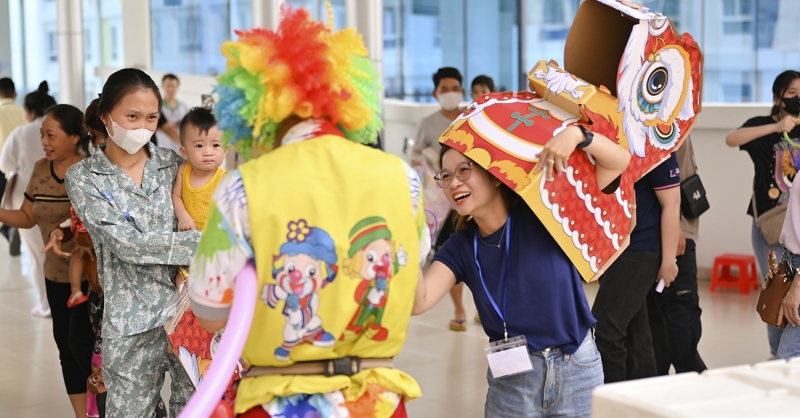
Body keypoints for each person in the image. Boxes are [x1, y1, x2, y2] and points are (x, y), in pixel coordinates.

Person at [186, 6, 427, 416]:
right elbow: (415, 295)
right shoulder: (402, 177)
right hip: (378, 401)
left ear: (258, 109)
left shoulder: (245, 187)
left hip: (278, 400)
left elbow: (209, 313)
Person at [412, 122, 629, 417]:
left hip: (576, 366)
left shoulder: (545, 212)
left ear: (495, 175)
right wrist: (409, 247)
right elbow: (419, 302)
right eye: (446, 176)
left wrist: (578, 135)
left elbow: (619, 162)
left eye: (464, 170)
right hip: (512, 377)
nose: (453, 183)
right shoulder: (460, 247)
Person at [61, 68, 199, 418]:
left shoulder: (176, 165)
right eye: (132, 116)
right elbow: (127, 245)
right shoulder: (84, 176)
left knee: (197, 408)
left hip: (191, 315)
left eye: (151, 117)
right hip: (130, 323)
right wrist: (206, 243)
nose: (142, 126)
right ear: (106, 116)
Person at [0, 104, 95, 418]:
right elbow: (28, 217)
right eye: (42, 135)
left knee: (86, 350)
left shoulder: (90, 171)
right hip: (54, 277)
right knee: (66, 349)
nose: (44, 142)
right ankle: (82, 415)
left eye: (51, 135)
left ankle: (103, 409)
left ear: (73, 136)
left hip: (89, 282)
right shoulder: (41, 168)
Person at [592, 152, 681, 383]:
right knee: (635, 334)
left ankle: (611, 404)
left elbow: (672, 203)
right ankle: (641, 398)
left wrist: (669, 261)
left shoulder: (654, 142)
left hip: (639, 249)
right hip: (613, 247)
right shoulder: (612, 137)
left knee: (606, 330)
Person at [725, 70, 800, 281]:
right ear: (777, 98)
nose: (798, 98)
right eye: (792, 92)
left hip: (799, 219)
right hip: (771, 221)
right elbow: (732, 139)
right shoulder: (763, 125)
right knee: (776, 289)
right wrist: (776, 127)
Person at [411, 67, 469, 331]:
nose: (450, 94)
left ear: (462, 91)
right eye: (444, 89)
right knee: (452, 252)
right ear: (435, 93)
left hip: (473, 198)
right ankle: (459, 309)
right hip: (443, 200)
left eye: (454, 88)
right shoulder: (427, 123)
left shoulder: (470, 118)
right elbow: (415, 156)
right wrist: (433, 165)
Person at [646, 137, 707, 375]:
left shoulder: (681, 117)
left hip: (673, 231)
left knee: (664, 321)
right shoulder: (664, 119)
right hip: (673, 234)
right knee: (679, 320)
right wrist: (678, 227)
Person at [0, 81, 55, 316]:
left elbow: (5, 165)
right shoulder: (62, 130)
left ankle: (45, 305)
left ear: (30, 111)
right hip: (60, 199)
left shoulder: (21, 133)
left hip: (27, 202)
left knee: (36, 255)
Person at [171, 106, 227, 231]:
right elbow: (176, 195)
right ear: (184, 152)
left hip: (212, 238)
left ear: (225, 151)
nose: (208, 152)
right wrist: (183, 216)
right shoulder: (183, 170)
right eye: (199, 145)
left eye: (216, 145)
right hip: (187, 236)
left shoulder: (224, 179)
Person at [0, 78, 32, 248]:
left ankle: (7, 230)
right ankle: (15, 229)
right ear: (15, 94)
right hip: (22, 167)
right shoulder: (23, 112)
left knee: (2, 204)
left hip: (2, 166)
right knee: (20, 201)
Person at [155, 73, 189, 154]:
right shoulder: (158, 105)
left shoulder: (183, 106)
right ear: (163, 87)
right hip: (163, 144)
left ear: (177, 87)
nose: (170, 89)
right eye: (168, 86)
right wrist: (164, 126)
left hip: (179, 146)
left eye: (173, 86)